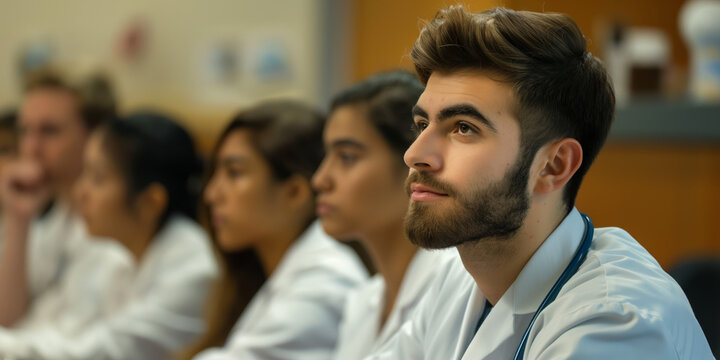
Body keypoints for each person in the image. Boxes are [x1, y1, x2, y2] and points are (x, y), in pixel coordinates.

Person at [368, 6, 714, 359]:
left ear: (553, 167)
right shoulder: (461, 276)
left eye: (463, 128)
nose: (414, 154)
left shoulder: (616, 326)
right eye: (423, 124)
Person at [0, 112, 219, 359]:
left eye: (97, 178)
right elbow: (68, 330)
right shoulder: (118, 255)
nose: (81, 191)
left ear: (150, 201)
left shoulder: (193, 271)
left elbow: (102, 352)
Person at [189, 100, 367, 360]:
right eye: (215, 173)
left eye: (234, 173)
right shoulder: (268, 271)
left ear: (295, 193)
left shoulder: (324, 283)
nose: (211, 194)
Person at [311, 70, 456, 360]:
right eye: (326, 156)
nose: (320, 180)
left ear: (413, 161)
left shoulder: (455, 286)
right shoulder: (363, 301)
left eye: (347, 157)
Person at [0, 72, 123, 330]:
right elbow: (6, 319)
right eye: (25, 131)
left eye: (49, 131)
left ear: (96, 137)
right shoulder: (53, 221)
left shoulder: (118, 235)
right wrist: (18, 219)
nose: (31, 148)